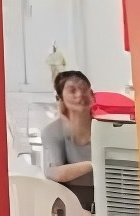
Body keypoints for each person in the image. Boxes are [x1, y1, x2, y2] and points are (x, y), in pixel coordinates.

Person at [42, 70, 97, 212]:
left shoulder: (105, 127)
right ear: (60, 98)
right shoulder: (52, 131)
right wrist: (93, 164)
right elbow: (54, 173)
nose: (80, 94)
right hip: (68, 202)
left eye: (84, 89)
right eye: (72, 90)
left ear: (92, 95)